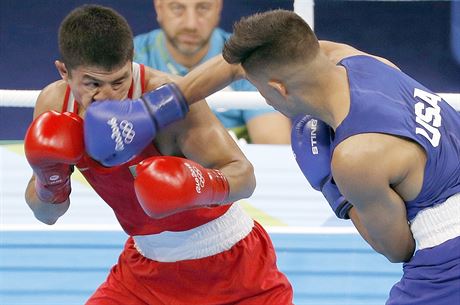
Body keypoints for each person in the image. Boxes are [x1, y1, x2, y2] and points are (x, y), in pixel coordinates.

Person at [172, 9, 460, 305]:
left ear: (278, 89)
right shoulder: (363, 61)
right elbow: (235, 66)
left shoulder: (355, 157)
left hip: (447, 257)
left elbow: (397, 249)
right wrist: (157, 108)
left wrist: (330, 185)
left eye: (260, 91)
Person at [23, 5, 293, 304]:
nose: (109, 96)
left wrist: (195, 183)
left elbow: (244, 176)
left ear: (131, 63)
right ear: (64, 72)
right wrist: (50, 180)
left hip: (234, 269)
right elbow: (46, 215)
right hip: (144, 273)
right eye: (93, 84)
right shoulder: (55, 105)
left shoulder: (163, 98)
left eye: (118, 81)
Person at [133, 0, 291, 144]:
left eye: (203, 8)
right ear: (159, 8)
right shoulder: (132, 59)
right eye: (177, 8)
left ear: (218, 8)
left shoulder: (249, 57)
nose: (191, 24)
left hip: (232, 170)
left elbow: (275, 145)